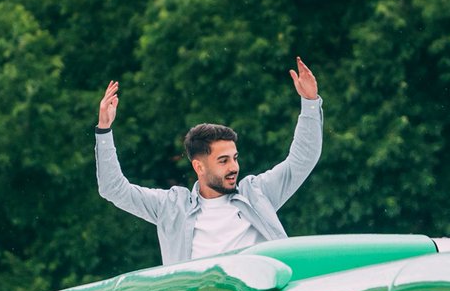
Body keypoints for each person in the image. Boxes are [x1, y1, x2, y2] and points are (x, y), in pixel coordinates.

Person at [95, 58, 322, 265]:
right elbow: (113, 189)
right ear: (199, 167)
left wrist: (310, 101)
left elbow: (303, 159)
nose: (233, 167)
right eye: (223, 161)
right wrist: (104, 130)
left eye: (234, 158)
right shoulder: (172, 207)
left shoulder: (257, 193)